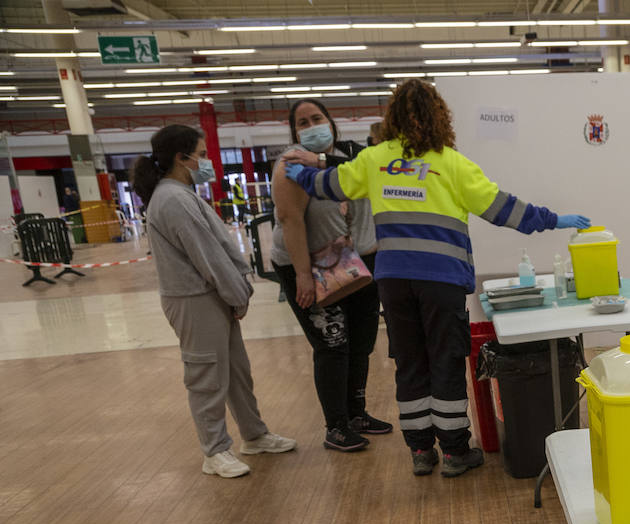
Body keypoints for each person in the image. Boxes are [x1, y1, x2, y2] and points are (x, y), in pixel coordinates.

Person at [280, 79, 590, 478]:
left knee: (410, 363)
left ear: (392, 118)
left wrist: (300, 171)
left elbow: (328, 186)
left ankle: (421, 451)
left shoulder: (376, 159)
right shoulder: (451, 163)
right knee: (444, 362)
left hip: (393, 281)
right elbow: (505, 210)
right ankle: (455, 452)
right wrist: (554, 220)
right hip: (441, 281)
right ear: (439, 116)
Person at [132, 125, 296, 478]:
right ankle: (214, 450)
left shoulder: (183, 193)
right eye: (202, 155)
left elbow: (216, 249)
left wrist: (234, 292)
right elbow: (207, 256)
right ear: (181, 158)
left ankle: (253, 435)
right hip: (194, 299)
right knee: (206, 376)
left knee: (236, 372)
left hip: (213, 296)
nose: (206, 162)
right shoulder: (172, 198)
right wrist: (237, 293)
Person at [271, 98, 389, 453]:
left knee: (362, 343)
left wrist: (323, 161)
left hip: (360, 263)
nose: (311, 127)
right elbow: (290, 221)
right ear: (294, 131)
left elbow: (372, 173)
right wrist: (303, 277)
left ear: (331, 122)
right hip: (310, 266)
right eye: (302, 122)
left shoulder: (354, 154)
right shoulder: (290, 166)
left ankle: (357, 414)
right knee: (333, 345)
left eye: (317, 118)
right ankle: (335, 426)